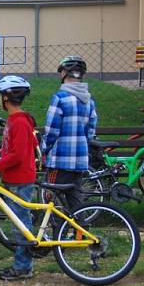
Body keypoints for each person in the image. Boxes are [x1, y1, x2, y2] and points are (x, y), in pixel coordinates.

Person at [0, 76, 37, 280]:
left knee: (20, 224)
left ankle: (23, 266)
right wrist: (0, 155)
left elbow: (18, 155)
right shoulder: (14, 121)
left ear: (6, 97)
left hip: (20, 179)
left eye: (0, 96)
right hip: (14, 177)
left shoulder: (20, 122)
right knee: (18, 222)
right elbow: (13, 149)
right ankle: (23, 264)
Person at [42, 56, 97, 212]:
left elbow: (51, 131)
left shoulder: (60, 99)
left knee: (52, 199)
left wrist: (43, 150)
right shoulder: (89, 101)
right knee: (75, 200)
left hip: (59, 161)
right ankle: (80, 231)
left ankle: (57, 232)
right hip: (80, 161)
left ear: (64, 73)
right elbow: (91, 131)